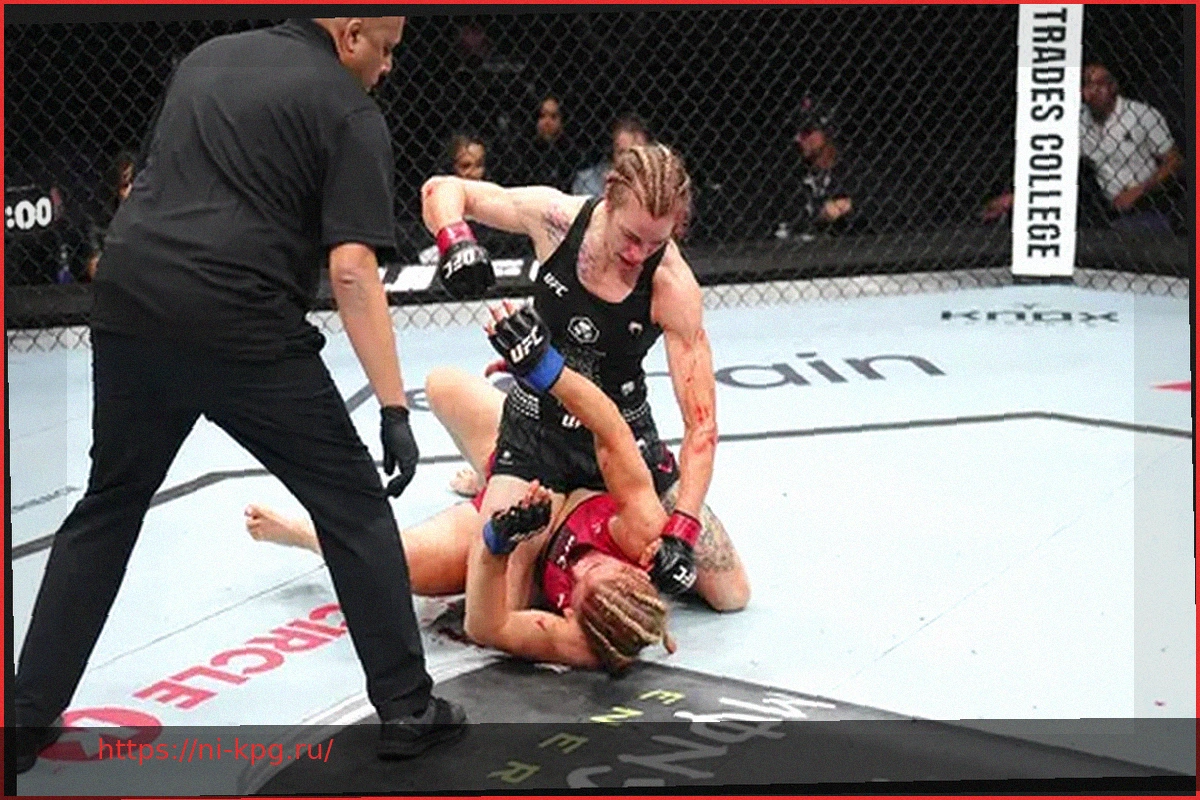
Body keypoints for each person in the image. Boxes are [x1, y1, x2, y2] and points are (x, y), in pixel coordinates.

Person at [12, 17, 467, 776]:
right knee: (352, 503)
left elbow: (159, 181)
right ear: (352, 34)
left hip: (130, 295)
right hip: (238, 319)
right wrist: (393, 408)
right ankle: (408, 709)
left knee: (111, 502)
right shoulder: (351, 112)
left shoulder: (208, 58)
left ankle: (23, 717)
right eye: (387, 50)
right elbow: (352, 271)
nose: (389, 68)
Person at [246, 305, 749, 672]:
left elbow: (486, 625)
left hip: (524, 534)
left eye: (583, 579)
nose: (585, 564)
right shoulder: (640, 535)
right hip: (558, 465)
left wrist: (497, 542)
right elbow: (613, 430)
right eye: (603, 567)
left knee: (395, 564)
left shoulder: (578, 642)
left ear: (570, 612)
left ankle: (304, 535)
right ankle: (492, 472)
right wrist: (544, 370)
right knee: (442, 385)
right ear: (633, 571)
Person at [421, 142, 719, 601]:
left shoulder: (672, 284)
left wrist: (682, 529)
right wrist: (455, 240)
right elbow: (443, 189)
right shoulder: (558, 220)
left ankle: (537, 503)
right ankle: (497, 470)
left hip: (620, 443)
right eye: (631, 237)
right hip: (539, 427)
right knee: (504, 602)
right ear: (609, 200)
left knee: (728, 590)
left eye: (655, 243)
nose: (639, 254)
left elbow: (701, 426)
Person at [982, 62, 1185, 232]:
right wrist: (1016, 197)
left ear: (1113, 87)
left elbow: (1174, 160)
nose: (1092, 91)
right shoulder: (1078, 121)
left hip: (1151, 201)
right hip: (1109, 208)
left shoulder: (1141, 115)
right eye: (1086, 84)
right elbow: (1054, 168)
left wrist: (1138, 191)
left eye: (1099, 84)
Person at [772, 99, 876, 239]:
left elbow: (874, 208)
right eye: (796, 133)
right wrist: (822, 212)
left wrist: (850, 206)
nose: (798, 139)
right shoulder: (790, 170)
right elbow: (787, 216)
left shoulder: (853, 166)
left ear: (828, 131)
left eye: (806, 132)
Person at [85, 148, 137, 279]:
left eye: (131, 184)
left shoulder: (155, 215)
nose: (128, 192)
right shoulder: (103, 220)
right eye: (125, 186)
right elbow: (94, 269)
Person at [572, 114, 649, 197]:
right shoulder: (588, 181)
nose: (631, 159)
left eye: (638, 153)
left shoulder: (654, 181)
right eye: (622, 153)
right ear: (611, 153)